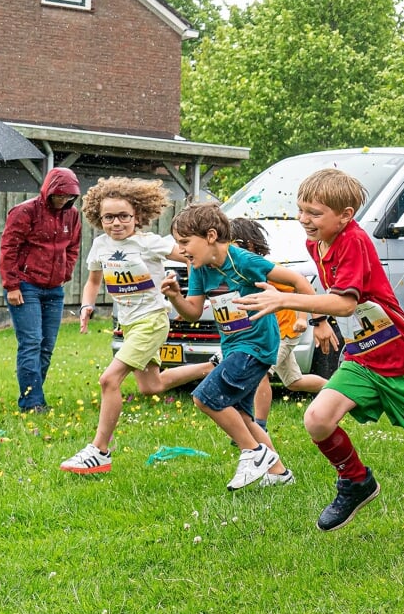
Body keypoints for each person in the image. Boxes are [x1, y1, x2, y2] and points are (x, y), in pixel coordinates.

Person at [236, 170, 404, 534]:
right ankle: (356, 482)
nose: (304, 220)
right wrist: (318, 319)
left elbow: (345, 303)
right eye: (301, 210)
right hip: (361, 356)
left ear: (346, 214)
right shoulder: (317, 244)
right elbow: (332, 297)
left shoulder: (353, 241)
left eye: (314, 212)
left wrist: (285, 299)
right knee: (317, 419)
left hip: (398, 358)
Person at [159, 203, 302, 491]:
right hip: (233, 344)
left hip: (257, 344)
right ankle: (278, 472)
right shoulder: (200, 269)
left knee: (205, 397)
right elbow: (193, 312)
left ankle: (254, 453)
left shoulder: (244, 261)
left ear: (211, 235)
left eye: (185, 242)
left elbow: (296, 280)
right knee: (242, 413)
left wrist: (315, 318)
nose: (181, 249)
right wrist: (175, 297)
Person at [61, 178, 182, 474]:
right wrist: (87, 305)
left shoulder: (148, 242)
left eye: (123, 216)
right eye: (109, 217)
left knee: (109, 380)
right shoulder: (101, 245)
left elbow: (191, 256)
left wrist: (189, 278)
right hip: (128, 324)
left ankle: (99, 451)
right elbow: (93, 282)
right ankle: (214, 365)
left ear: (137, 215)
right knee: (151, 385)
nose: (116, 223)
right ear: (98, 218)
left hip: (152, 320)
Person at [229, 217, 327, 433]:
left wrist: (303, 318)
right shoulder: (238, 271)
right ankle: (335, 389)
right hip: (271, 334)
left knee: (261, 372)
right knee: (294, 382)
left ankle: (259, 427)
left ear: (250, 245)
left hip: (286, 332)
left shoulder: (266, 269)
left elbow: (299, 289)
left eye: (231, 243)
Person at [0, 166, 81, 413]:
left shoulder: (73, 215)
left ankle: (34, 395)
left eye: (69, 196)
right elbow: (8, 249)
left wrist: (65, 272)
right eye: (60, 195)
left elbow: (73, 247)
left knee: (46, 347)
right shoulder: (25, 212)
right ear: (49, 190)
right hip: (26, 286)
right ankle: (32, 403)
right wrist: (12, 286)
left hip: (54, 290)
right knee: (31, 342)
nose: (64, 200)